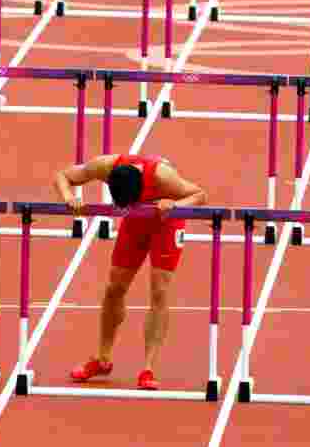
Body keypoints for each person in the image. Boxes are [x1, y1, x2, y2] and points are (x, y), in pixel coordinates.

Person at [53, 154, 207, 390]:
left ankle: (148, 369)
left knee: (159, 291)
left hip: (166, 220)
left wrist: (176, 205)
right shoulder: (106, 166)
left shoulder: (162, 177)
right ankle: (102, 359)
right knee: (114, 287)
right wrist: (68, 197)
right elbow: (63, 175)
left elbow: (199, 194)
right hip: (135, 221)